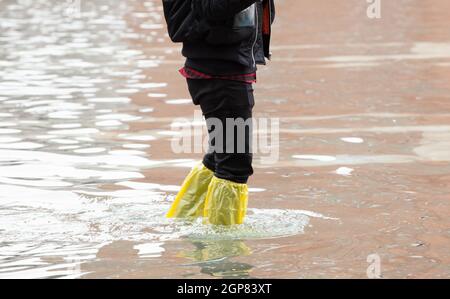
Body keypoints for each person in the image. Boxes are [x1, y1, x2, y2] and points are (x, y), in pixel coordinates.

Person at [166, 0, 275, 225]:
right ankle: (223, 248)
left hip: (228, 67)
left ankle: (182, 221)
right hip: (219, 73)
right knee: (234, 166)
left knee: (220, 158)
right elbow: (212, 8)